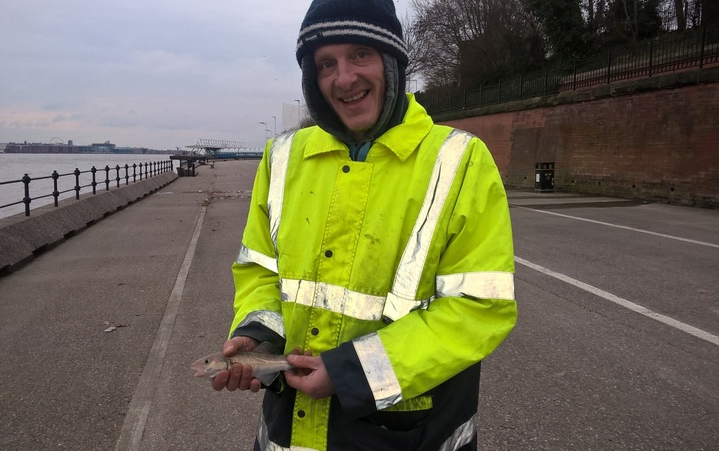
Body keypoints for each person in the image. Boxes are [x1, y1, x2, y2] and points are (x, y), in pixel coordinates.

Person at [211, 0, 517, 449]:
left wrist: (353, 372)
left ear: (391, 62)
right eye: (326, 63)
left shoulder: (461, 160)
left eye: (360, 54)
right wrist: (258, 337)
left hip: (409, 434)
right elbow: (260, 270)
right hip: (287, 429)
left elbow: (479, 306)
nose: (345, 78)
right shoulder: (282, 158)